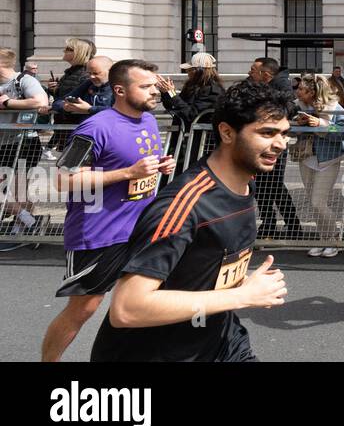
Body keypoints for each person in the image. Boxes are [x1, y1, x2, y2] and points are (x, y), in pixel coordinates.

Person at [89, 81, 291, 362]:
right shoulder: (183, 204)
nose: (280, 144)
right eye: (267, 133)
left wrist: (240, 281)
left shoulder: (245, 185)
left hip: (221, 344)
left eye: (284, 133)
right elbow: (127, 308)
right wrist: (243, 296)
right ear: (227, 132)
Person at [41, 60, 175, 362]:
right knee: (84, 309)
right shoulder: (96, 125)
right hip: (99, 233)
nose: (155, 91)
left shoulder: (149, 121)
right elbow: (65, 179)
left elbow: (141, 167)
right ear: (120, 90)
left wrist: (161, 167)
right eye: (145, 86)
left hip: (141, 231)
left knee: (141, 306)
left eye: (154, 85)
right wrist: (129, 173)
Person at [292, 74, 344, 258]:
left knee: (318, 202)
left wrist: (321, 124)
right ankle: (323, 239)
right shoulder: (298, 106)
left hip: (328, 159)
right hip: (307, 157)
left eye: (302, 89)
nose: (298, 92)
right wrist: (298, 123)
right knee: (313, 202)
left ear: (314, 92)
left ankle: (333, 238)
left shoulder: (334, 107)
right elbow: (287, 126)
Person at [247, 56, 304, 240]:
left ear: (265, 74)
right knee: (261, 185)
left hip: (275, 141)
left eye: (253, 70)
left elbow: (289, 108)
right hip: (259, 140)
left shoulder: (281, 86)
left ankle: (293, 226)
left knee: (275, 185)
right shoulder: (254, 85)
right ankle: (269, 223)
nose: (250, 73)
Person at [0, 46, 50, 242]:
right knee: (9, 190)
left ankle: (20, 231)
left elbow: (40, 101)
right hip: (4, 142)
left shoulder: (24, 81)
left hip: (25, 141)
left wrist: (7, 104)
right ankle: (30, 223)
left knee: (21, 190)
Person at [157, 53, 224, 155]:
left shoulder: (213, 91)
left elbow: (191, 115)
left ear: (198, 71)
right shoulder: (191, 86)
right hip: (182, 139)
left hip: (199, 145)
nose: (187, 72)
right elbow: (175, 107)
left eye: (190, 70)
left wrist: (172, 94)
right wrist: (167, 93)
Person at [44, 37, 95, 148]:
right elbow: (65, 96)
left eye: (68, 49)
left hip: (77, 128)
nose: (64, 51)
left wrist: (54, 106)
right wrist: (54, 90)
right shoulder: (71, 73)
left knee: (74, 164)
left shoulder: (85, 75)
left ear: (79, 52)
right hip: (65, 125)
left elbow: (75, 99)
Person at [51, 55, 115, 122]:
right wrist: (66, 107)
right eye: (89, 73)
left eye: (96, 73)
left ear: (110, 71)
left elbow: (120, 111)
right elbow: (58, 102)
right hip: (86, 129)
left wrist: (89, 109)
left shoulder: (119, 88)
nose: (91, 77)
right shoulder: (88, 84)